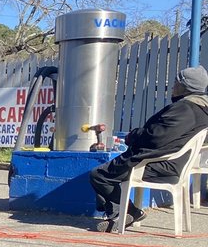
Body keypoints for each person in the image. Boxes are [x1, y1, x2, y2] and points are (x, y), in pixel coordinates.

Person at [89, 66, 208, 232]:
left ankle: (123, 214)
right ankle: (124, 213)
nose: (173, 86)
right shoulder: (202, 110)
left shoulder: (185, 109)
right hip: (174, 162)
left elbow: (156, 137)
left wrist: (133, 136)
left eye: (176, 82)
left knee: (100, 175)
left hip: (158, 163)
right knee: (106, 173)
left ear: (186, 86)